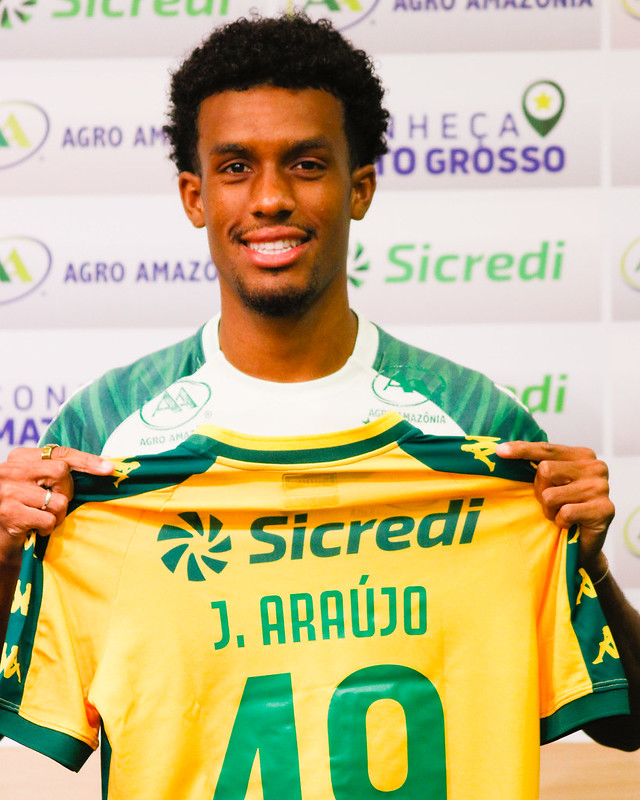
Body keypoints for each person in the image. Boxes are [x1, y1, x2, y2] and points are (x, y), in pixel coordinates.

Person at [0, 12, 638, 797]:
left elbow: (628, 726)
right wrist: (0, 556)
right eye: (235, 168)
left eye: (305, 163)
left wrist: (593, 563)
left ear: (359, 186)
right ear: (194, 196)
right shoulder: (106, 443)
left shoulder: (481, 431)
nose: (269, 198)